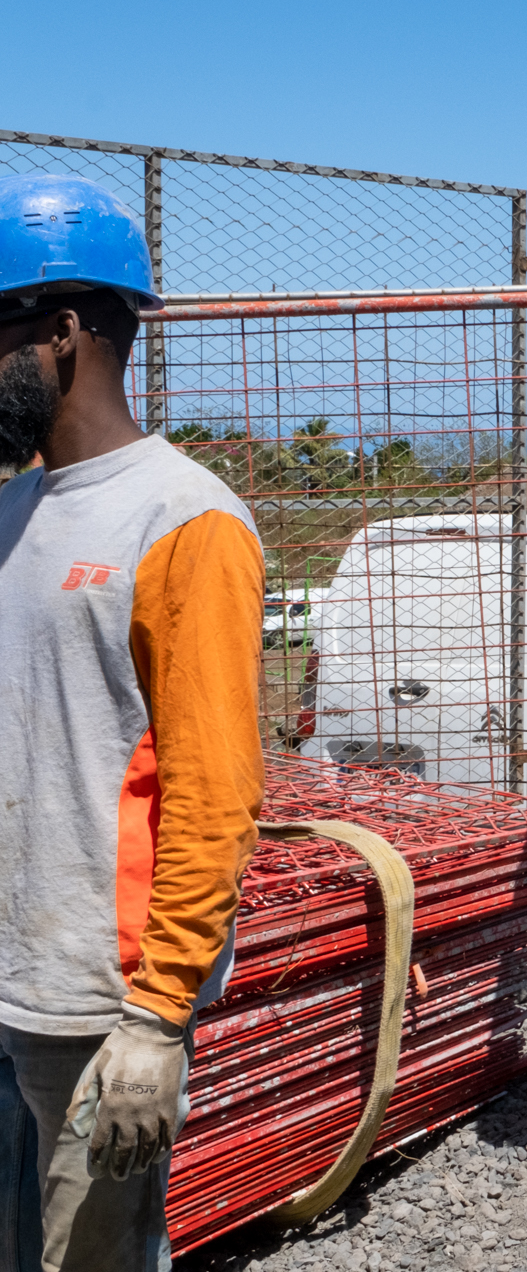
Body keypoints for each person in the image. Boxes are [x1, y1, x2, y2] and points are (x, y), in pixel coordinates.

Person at [0, 174, 265, 1268]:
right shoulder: (14, 507)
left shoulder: (186, 521)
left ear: (62, 332)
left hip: (97, 1007)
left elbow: (214, 788)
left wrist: (158, 1016)